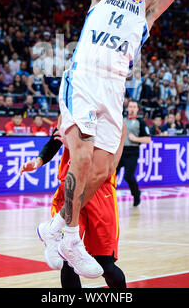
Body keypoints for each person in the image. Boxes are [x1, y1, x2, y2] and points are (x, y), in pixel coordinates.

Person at [38, 0, 189, 278]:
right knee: (79, 157)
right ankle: (70, 239)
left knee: (104, 168)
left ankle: (57, 227)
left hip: (114, 85)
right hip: (84, 76)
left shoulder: (147, 10)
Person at [20, 122, 127, 288]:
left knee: (105, 265)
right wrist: (39, 160)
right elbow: (56, 139)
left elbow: (108, 167)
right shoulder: (73, 109)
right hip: (71, 185)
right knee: (67, 260)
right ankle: (53, 230)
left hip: (100, 191)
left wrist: (74, 143)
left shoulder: (117, 122)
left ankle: (52, 228)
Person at [116, 100, 151, 206]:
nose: (131, 109)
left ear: (137, 109)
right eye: (130, 106)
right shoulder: (122, 120)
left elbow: (148, 139)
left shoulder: (140, 122)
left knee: (128, 176)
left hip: (132, 152)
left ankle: (136, 194)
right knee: (112, 174)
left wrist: (135, 139)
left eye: (134, 107)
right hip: (120, 151)